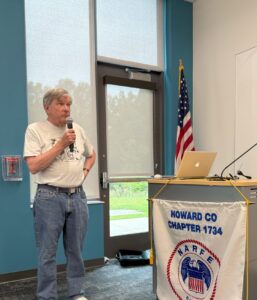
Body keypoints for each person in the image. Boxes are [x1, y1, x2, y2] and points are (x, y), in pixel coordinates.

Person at [24, 88, 96, 300]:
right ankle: (47, 296)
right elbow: (34, 166)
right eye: (61, 104)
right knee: (47, 254)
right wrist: (62, 144)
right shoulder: (35, 130)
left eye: (68, 104)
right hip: (49, 197)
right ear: (47, 107)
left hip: (78, 197)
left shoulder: (78, 129)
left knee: (76, 252)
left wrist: (84, 173)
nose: (66, 108)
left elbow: (90, 155)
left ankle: (77, 293)